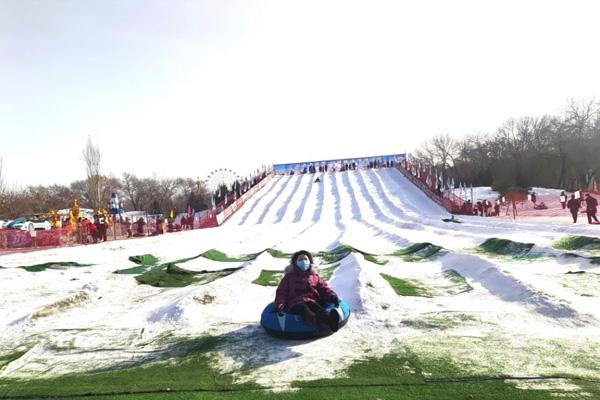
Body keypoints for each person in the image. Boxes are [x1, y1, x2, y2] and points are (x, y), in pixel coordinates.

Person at [275, 250, 340, 332]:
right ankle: (315, 320)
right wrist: (280, 304)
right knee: (303, 309)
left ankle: (330, 320)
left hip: (311, 300)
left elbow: (324, 288)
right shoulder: (289, 277)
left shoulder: (314, 276)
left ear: (310, 262)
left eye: (305, 259)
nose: (303, 261)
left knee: (317, 308)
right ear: (295, 262)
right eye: (300, 259)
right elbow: (282, 292)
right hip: (294, 303)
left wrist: (332, 296)